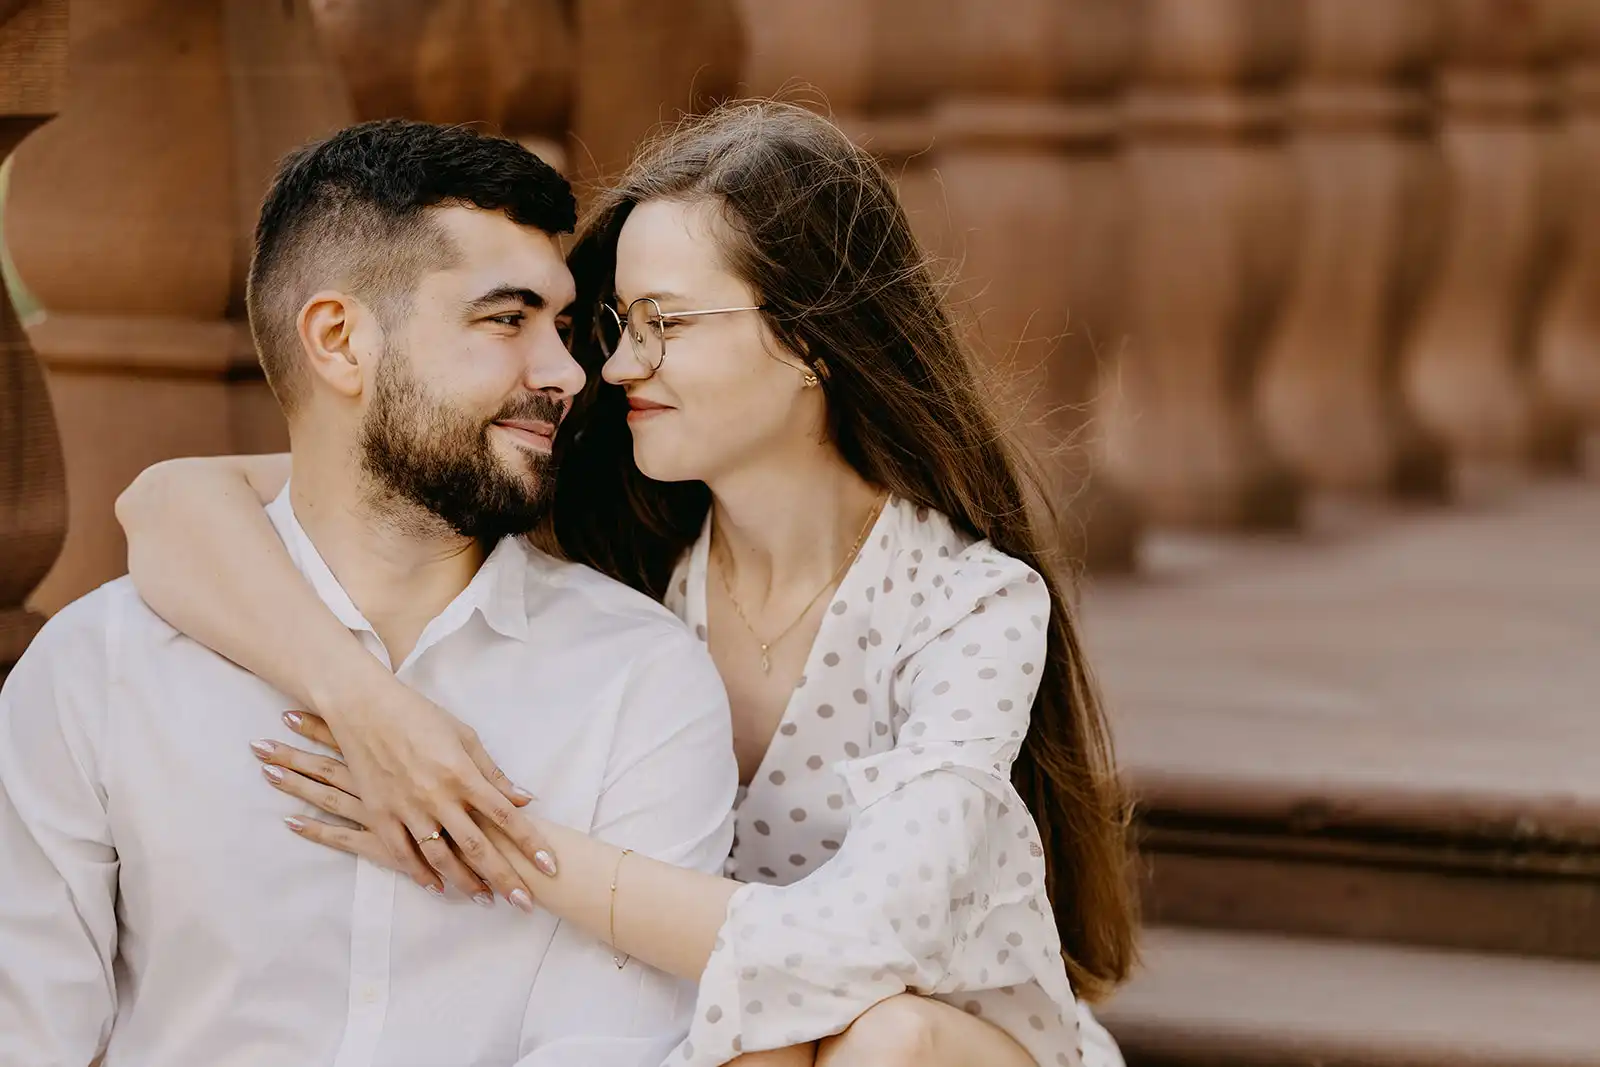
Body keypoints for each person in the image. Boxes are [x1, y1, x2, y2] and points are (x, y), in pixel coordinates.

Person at [115, 102, 1138, 1067]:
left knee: (879, 1037)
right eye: (617, 325)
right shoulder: (617, 531)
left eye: (666, 324)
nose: (614, 368)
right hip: (725, 1040)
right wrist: (373, 712)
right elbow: (166, 505)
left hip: (936, 1046)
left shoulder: (969, 607)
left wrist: (482, 831)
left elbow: (856, 948)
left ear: (810, 341)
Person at [0, 119, 742, 1066]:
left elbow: (606, 1048)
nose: (567, 373)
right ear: (340, 340)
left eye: (562, 328)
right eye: (506, 319)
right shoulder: (97, 669)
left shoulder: (639, 681)